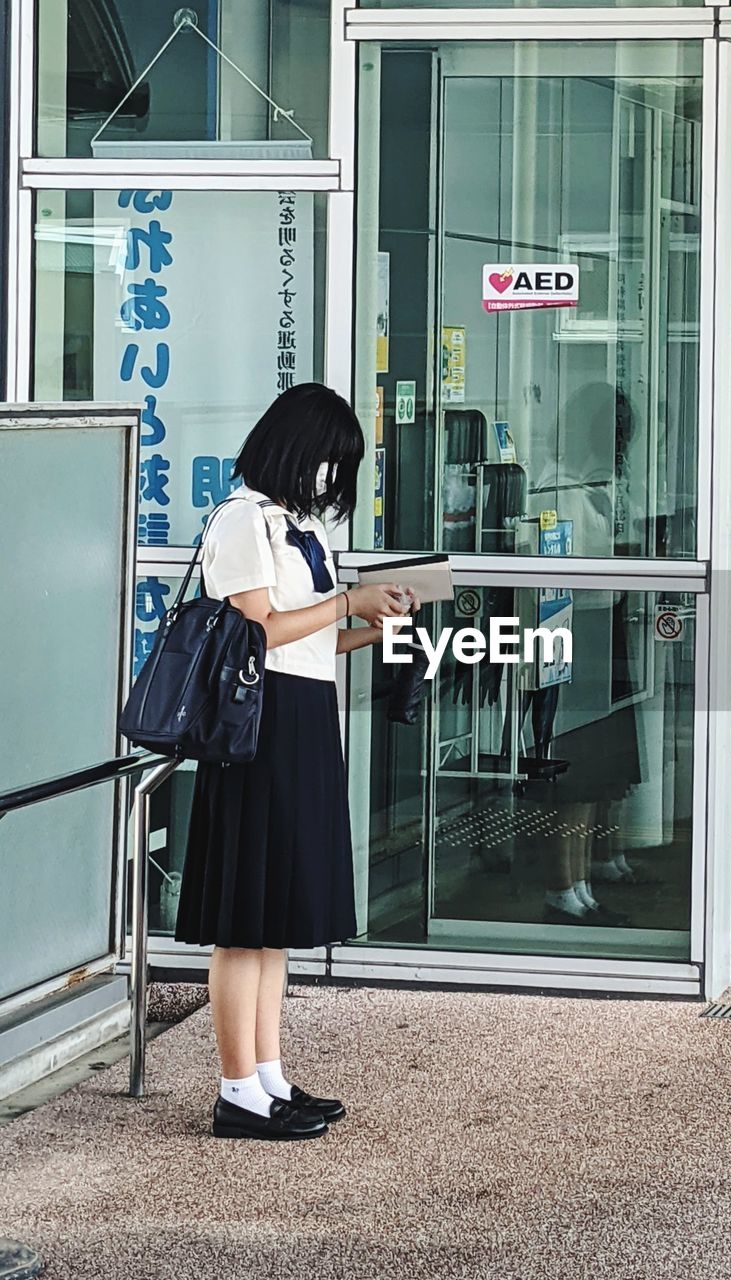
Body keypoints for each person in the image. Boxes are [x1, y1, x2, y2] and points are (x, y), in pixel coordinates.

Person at [174, 383, 414, 1142]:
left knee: (272, 914)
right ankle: (237, 1088)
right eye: (326, 462)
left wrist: (371, 624)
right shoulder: (245, 520)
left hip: (302, 714)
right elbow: (256, 632)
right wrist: (348, 602)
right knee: (245, 916)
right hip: (258, 726)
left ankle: (269, 1076)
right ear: (295, 449)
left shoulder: (295, 525)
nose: (329, 479)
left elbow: (303, 642)